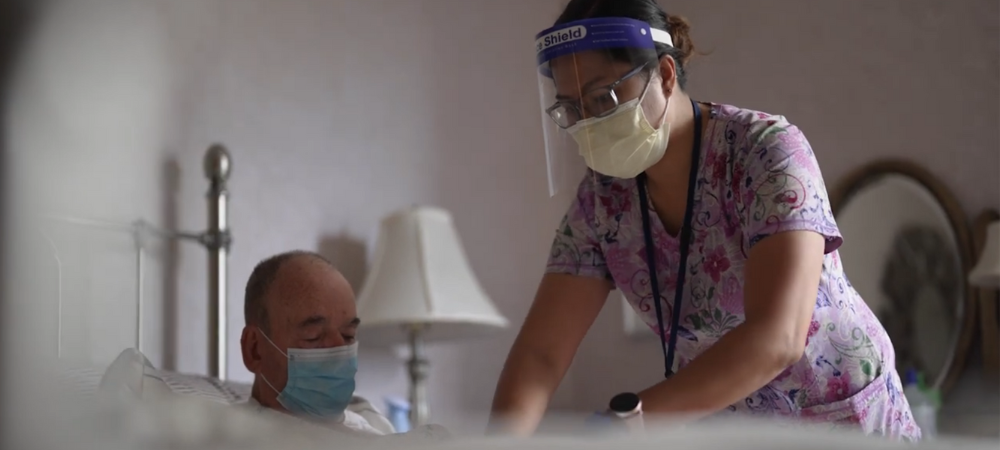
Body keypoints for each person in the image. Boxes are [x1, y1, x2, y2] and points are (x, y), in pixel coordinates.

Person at [489, 0, 919, 441]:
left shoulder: (765, 151)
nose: (589, 124)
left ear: (666, 74)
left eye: (604, 98)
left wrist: (629, 422)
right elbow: (542, 355)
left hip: (843, 422)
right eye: (573, 109)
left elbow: (779, 337)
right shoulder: (602, 200)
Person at [239, 250, 394, 435]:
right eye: (313, 336)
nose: (340, 351)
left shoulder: (375, 424)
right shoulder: (224, 439)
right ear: (254, 349)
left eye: (348, 335)